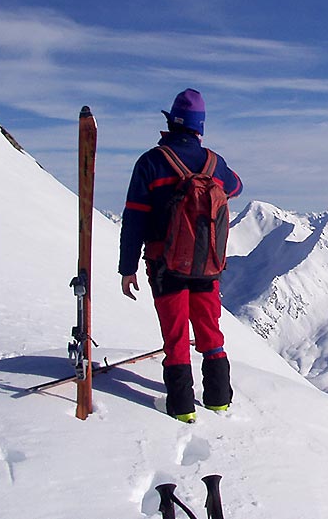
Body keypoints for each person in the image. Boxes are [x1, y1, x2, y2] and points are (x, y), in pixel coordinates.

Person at [119, 88, 243, 423]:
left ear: (171, 121)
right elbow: (236, 187)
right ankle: (219, 400)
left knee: (176, 336)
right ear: (199, 126)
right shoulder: (214, 164)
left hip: (165, 264)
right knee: (210, 331)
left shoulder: (151, 162)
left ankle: (182, 408)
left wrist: (127, 267)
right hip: (207, 265)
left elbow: (134, 218)